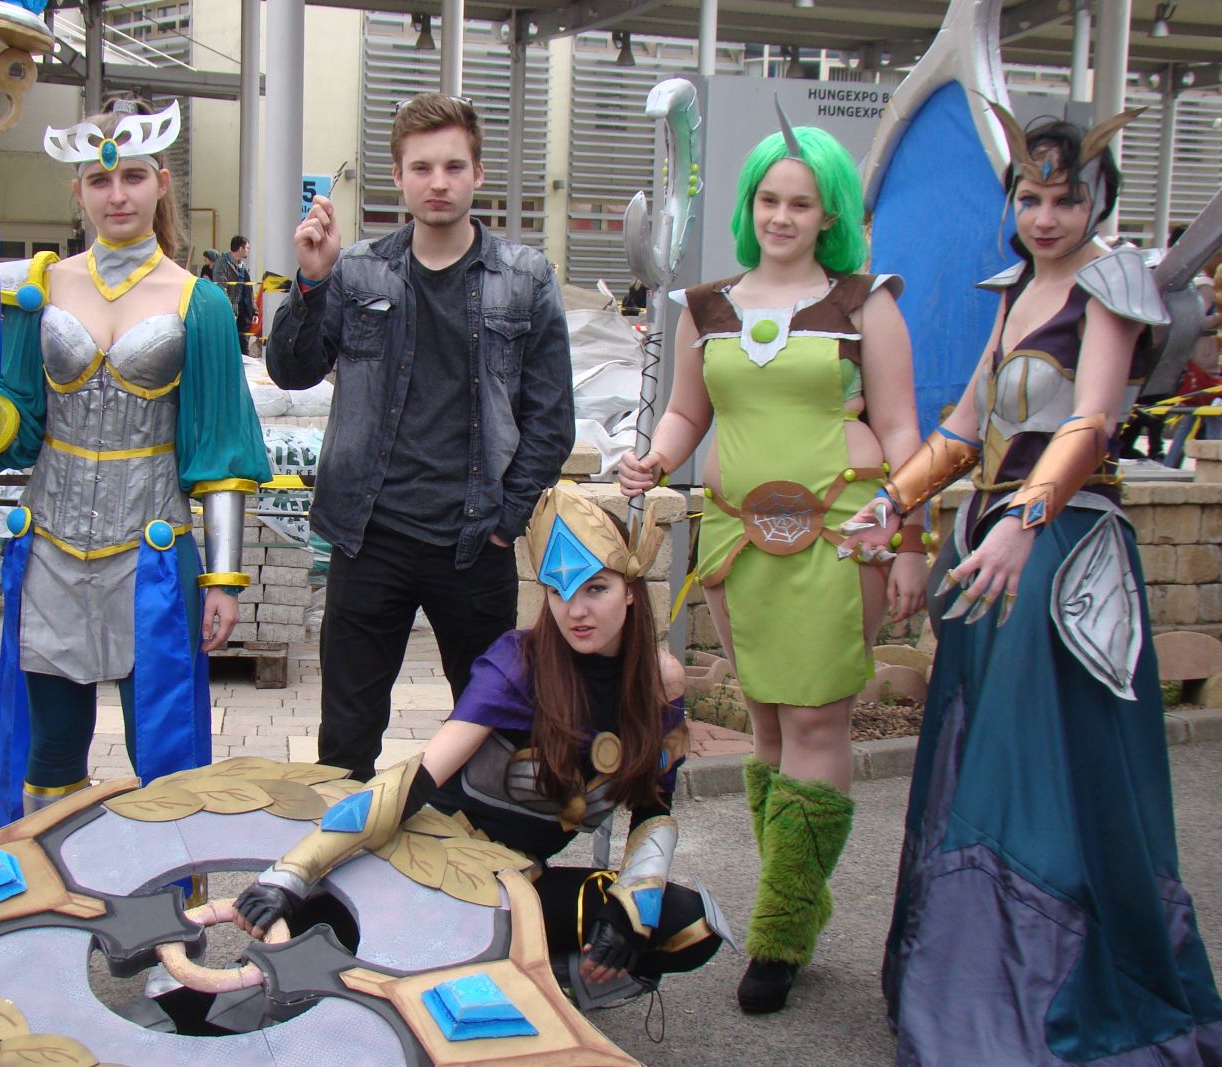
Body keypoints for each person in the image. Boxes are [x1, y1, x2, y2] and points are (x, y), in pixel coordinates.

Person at [865, 105, 1222, 1063]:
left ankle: (1042, 992)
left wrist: (1025, 525)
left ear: (1097, 199)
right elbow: (966, 427)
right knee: (982, 751)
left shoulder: (1110, 288)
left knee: (1041, 766)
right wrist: (894, 502)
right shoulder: (1016, 287)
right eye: (1030, 198)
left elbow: (1092, 420)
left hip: (1060, 553)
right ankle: (971, 977)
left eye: (1066, 200)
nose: (1047, 217)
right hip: (989, 551)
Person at [617, 108, 925, 1014]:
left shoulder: (867, 302)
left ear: (831, 213)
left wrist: (911, 540)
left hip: (840, 537)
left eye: (802, 202)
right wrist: (655, 458)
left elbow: (903, 430)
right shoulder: (706, 307)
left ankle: (781, 931)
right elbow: (688, 412)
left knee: (817, 724)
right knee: (767, 729)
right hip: (737, 540)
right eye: (769, 199)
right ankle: (799, 896)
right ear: (750, 205)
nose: (783, 215)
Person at [0, 97, 271, 825]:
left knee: (163, 752)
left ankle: (161, 893)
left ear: (161, 184)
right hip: (49, 546)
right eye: (100, 180)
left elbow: (221, 450)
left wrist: (225, 580)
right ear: (77, 189)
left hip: (152, 557)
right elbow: (15, 428)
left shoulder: (200, 303)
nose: (117, 195)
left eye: (133, 177)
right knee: (50, 750)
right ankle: (49, 885)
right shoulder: (37, 290)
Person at [233, 486, 728, 1007]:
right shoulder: (521, 663)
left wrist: (634, 903)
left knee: (689, 925)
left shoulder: (660, 683)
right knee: (285, 965)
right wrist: (291, 874)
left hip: (517, 886)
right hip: (425, 865)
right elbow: (413, 781)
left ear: (630, 589)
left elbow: (653, 811)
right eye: (558, 592)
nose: (576, 611)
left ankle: (542, 983)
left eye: (596, 588)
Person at [267, 93, 574, 782]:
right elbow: (291, 370)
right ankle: (340, 849)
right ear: (398, 178)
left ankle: (481, 848)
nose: (439, 182)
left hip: (473, 541)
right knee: (345, 742)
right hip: (369, 534)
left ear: (478, 174)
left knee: (492, 730)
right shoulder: (357, 272)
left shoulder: (524, 279)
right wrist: (312, 281)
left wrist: (505, 523)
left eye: (454, 167)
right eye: (422, 168)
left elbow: (552, 420)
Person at [217, 235, 256, 353]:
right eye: (247, 248)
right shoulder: (222, 264)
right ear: (240, 248)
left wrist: (254, 311)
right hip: (230, 311)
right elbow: (221, 288)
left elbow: (248, 289)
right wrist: (229, 310)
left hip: (244, 311)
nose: (248, 250)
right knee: (229, 344)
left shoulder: (242, 265)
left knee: (243, 344)